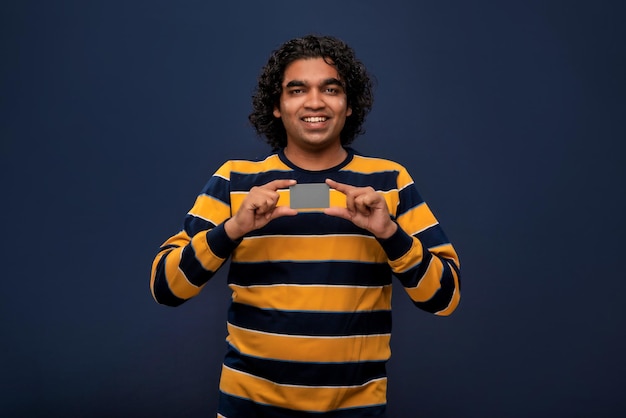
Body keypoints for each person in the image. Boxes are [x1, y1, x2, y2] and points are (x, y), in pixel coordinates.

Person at [150, 34, 461, 418]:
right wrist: (231, 229)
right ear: (277, 106)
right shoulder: (236, 182)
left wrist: (390, 234)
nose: (315, 102)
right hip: (249, 408)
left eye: (330, 89)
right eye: (297, 90)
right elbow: (165, 287)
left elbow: (445, 298)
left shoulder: (388, 182)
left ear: (349, 105)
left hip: (356, 411)